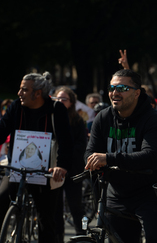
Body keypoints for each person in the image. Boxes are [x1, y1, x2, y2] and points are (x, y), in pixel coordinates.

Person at [84, 69, 157, 242]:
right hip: (116, 194)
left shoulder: (153, 119)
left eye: (121, 88)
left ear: (137, 93)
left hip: (148, 194)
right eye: (112, 88)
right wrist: (92, 161)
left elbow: (150, 157)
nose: (115, 92)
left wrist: (108, 158)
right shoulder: (103, 117)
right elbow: (90, 152)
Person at [0, 72, 73, 243]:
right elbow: (2, 130)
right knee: (1, 200)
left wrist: (61, 166)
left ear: (38, 93)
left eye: (24, 90)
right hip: (17, 169)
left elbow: (66, 141)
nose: (19, 93)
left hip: (45, 172)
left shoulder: (56, 109)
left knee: (46, 221)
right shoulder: (16, 106)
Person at [53, 86, 88, 241]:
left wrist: (66, 157)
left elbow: (82, 145)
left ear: (72, 102)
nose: (60, 101)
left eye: (64, 99)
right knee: (55, 206)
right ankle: (58, 236)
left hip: (73, 169)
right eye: (57, 98)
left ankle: (81, 234)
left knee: (75, 206)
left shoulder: (78, 120)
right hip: (54, 168)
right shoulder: (51, 118)